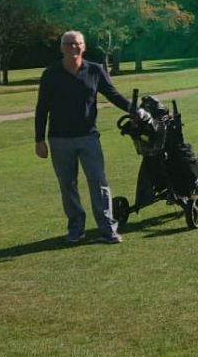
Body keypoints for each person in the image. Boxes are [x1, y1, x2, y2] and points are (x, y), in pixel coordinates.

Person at [34, 30, 142, 244]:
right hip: (59, 139)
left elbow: (112, 94)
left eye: (77, 43)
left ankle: (107, 229)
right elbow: (42, 108)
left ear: (83, 47)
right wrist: (39, 140)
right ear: (61, 48)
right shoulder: (51, 73)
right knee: (68, 185)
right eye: (68, 44)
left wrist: (133, 109)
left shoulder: (95, 70)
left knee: (99, 183)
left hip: (88, 137)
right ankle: (76, 229)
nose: (72, 47)